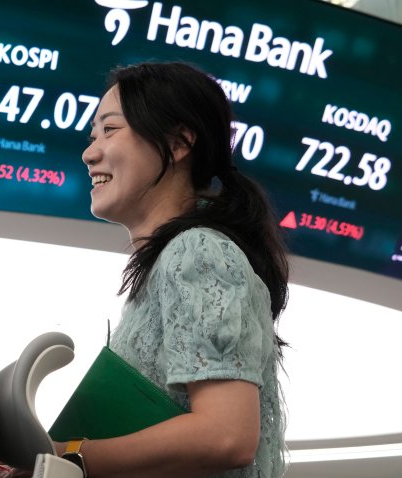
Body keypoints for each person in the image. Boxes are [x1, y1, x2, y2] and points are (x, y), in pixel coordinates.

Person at [60, 61, 289, 477]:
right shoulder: (172, 262)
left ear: (179, 142)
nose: (89, 152)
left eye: (109, 130)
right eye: (92, 136)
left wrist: (68, 457)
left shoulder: (197, 251)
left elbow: (226, 435)